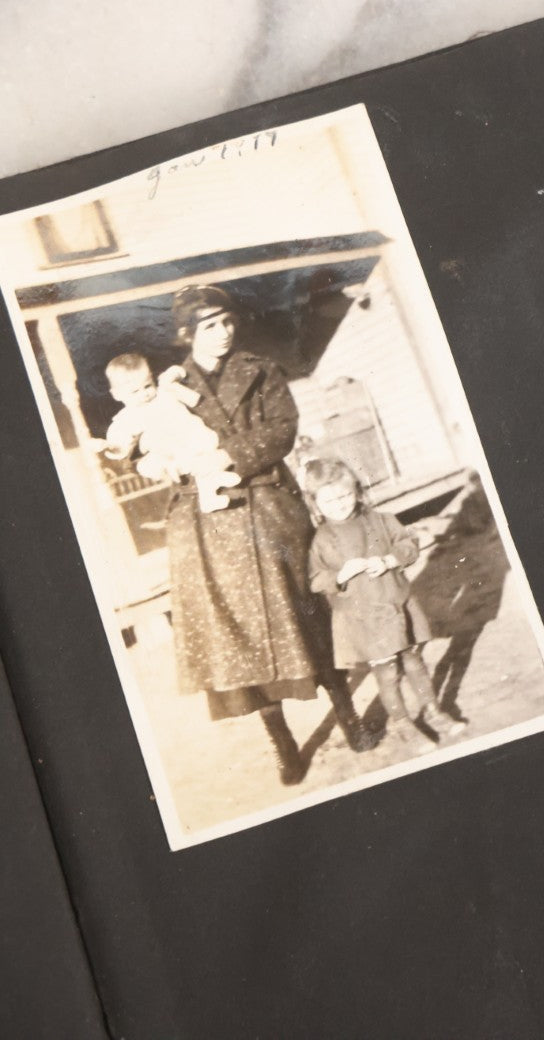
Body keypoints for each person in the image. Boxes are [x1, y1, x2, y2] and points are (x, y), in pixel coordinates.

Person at [160, 284, 378, 786]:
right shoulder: (168, 389)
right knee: (243, 641)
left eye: (228, 322)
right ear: (187, 333)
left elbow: (282, 428)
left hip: (270, 513)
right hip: (211, 528)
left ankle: (348, 718)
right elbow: (157, 441)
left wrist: (226, 457)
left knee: (309, 619)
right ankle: (282, 745)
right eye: (209, 325)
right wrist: (168, 464)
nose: (223, 333)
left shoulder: (260, 369)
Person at [305, 459, 465, 744]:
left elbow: (408, 544)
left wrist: (389, 559)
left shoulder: (382, 519)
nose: (340, 504)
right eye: (329, 501)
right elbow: (316, 580)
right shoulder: (321, 540)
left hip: (397, 604)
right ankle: (403, 724)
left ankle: (433, 712)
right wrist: (341, 574)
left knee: (415, 663)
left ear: (356, 490)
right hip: (364, 618)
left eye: (344, 495)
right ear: (315, 504)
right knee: (387, 673)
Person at [97, 352, 240, 512]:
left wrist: (175, 373)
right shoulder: (126, 418)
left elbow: (176, 373)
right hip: (171, 452)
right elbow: (120, 442)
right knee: (188, 461)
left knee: (206, 449)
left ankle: (210, 495)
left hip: (193, 437)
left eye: (148, 386)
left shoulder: (164, 393)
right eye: (135, 392)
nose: (145, 394)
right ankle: (213, 483)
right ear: (117, 395)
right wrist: (110, 446)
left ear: (152, 379)